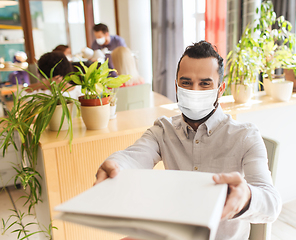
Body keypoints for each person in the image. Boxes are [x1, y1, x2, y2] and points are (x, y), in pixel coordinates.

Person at [94, 41, 281, 240]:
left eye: (205, 83)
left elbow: (271, 203)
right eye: (186, 82)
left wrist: (246, 197)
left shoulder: (245, 136)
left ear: (220, 88)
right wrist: (117, 166)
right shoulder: (163, 129)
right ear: (176, 86)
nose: (195, 91)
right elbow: (134, 156)